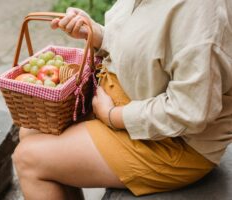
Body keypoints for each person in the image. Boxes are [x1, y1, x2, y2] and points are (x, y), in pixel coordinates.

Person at [12, 0, 232, 199]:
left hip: (174, 142)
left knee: (28, 160)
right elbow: (146, 44)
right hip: (126, 98)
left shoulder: (200, 12)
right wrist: (97, 33)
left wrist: (113, 116)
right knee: (31, 131)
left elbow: (190, 110)